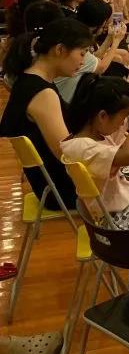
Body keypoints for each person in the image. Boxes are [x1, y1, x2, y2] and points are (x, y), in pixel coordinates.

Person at [0, 14, 93, 209]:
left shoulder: (28, 80)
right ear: (59, 49)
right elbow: (66, 153)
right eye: (82, 53)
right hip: (64, 189)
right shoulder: (43, 93)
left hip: (50, 185)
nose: (83, 61)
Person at [61, 74, 129, 230]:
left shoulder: (96, 135)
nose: (123, 122)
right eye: (123, 116)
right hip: (122, 217)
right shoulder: (82, 148)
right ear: (103, 116)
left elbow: (123, 130)